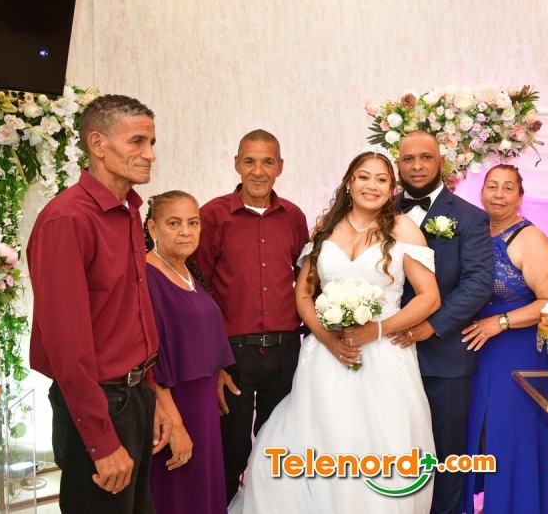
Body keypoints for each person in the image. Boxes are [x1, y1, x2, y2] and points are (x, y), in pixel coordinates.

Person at [229, 148, 441, 513]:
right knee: (323, 436)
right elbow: (303, 294)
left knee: (378, 443)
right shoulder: (326, 227)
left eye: (381, 179)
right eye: (363, 177)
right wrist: (327, 338)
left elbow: (429, 297)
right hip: (325, 356)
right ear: (348, 183)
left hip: (384, 356)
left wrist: (377, 330)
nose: (372, 186)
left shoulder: (403, 228)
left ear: (391, 187)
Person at [27, 94, 171, 513]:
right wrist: (101, 441)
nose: (151, 154)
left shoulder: (129, 210)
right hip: (98, 406)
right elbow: (66, 348)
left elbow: (132, 317)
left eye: (152, 142)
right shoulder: (67, 220)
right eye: (138, 141)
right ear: (98, 144)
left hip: (134, 396)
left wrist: (151, 395)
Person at [193, 129, 309, 502]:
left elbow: (305, 278)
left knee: (280, 446)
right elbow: (199, 289)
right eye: (250, 161)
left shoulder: (294, 216)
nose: (258, 171)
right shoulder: (212, 215)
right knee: (231, 448)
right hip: (234, 353)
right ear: (237, 164)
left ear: (280, 166)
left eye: (267, 162)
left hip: (286, 348)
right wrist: (213, 360)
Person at [395, 130, 495, 514]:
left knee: (446, 453)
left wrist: (432, 326)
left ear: (441, 162)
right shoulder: (379, 210)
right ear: (398, 164)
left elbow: (478, 284)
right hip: (388, 355)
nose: (417, 166)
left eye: (425, 157)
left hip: (446, 357)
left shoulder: (469, 217)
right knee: (392, 448)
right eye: (408, 159)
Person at [461, 165, 548, 513]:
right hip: (477, 347)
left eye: (508, 188)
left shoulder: (529, 237)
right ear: (481, 192)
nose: (499, 194)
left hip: (518, 349)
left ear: (520, 197)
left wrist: (502, 322)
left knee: (510, 433)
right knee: (479, 431)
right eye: (492, 186)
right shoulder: (474, 231)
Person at [144, 191, 235, 513]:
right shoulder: (147, 277)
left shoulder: (186, 271)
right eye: (174, 223)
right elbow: (150, 361)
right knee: (178, 492)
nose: (185, 231)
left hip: (202, 400)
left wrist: (218, 370)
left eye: (192, 223)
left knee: (202, 489)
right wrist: (175, 424)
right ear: (152, 228)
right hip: (173, 405)